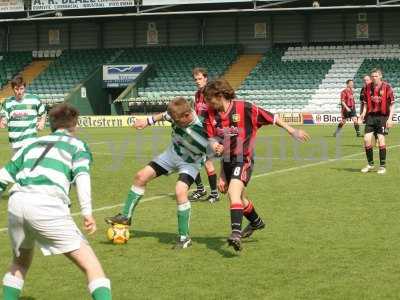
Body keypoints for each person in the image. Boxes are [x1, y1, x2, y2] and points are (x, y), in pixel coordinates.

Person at [0, 103, 111, 300]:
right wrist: (87, 213)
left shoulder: (30, 143)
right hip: (46, 205)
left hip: (17, 203)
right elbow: (82, 177)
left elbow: (3, 177)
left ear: (51, 124)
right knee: (92, 266)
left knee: (20, 263)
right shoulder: (77, 145)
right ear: (74, 125)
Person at [203, 79, 310, 251]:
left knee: (233, 193)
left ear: (220, 95)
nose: (208, 103)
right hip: (227, 161)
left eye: (210, 99)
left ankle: (235, 234)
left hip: (244, 159)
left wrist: (292, 130)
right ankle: (256, 222)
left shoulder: (244, 108)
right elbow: (213, 139)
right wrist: (217, 154)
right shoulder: (211, 114)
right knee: (240, 198)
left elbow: (272, 117)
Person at [105, 97, 211, 249]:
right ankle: (125, 217)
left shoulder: (202, 129)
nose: (175, 122)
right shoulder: (176, 115)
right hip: (171, 155)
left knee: (180, 191)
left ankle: (184, 237)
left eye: (178, 121)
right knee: (140, 177)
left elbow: (215, 150)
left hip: (190, 163)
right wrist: (147, 121)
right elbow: (164, 115)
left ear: (187, 115)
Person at [189, 68, 219, 203]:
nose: (197, 81)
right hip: (198, 131)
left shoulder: (211, 93)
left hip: (209, 132)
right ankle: (201, 189)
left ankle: (214, 193)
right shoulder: (196, 94)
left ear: (206, 78)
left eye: (200, 78)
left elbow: (216, 111)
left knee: (207, 162)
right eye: (195, 79)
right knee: (191, 159)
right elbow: (197, 112)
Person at [359, 68, 395, 174]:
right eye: (372, 76)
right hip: (370, 116)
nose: (373, 78)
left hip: (382, 116)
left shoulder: (387, 87)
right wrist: (362, 114)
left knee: (381, 139)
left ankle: (382, 166)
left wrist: (390, 119)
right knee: (366, 139)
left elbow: (392, 104)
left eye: (375, 76)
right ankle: (370, 164)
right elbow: (365, 104)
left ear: (380, 76)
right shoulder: (367, 88)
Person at [0, 75, 46, 154]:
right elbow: (4, 117)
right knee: (18, 166)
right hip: (15, 142)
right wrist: (3, 121)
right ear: (13, 89)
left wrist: (42, 121)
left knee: (30, 165)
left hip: (30, 140)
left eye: (21, 88)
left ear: (24, 88)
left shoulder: (34, 99)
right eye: (16, 89)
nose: (19, 91)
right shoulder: (7, 102)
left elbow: (43, 112)